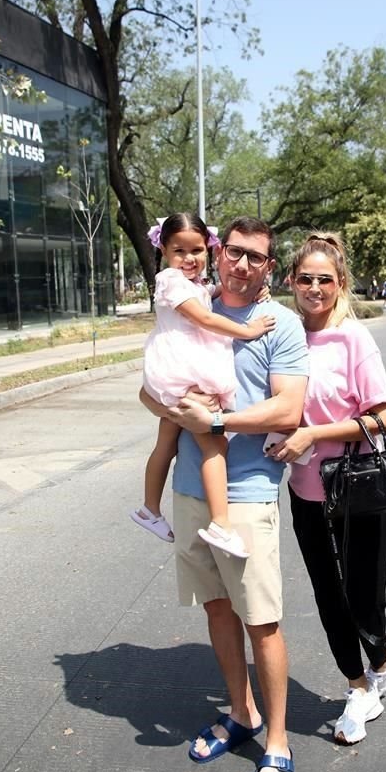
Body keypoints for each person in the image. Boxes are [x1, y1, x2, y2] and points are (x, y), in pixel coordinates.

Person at [139, 216, 309, 772]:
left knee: (260, 620)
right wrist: (174, 402)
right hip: (191, 490)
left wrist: (215, 422)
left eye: (255, 258)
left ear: (269, 267)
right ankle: (241, 713)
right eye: (233, 252)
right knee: (216, 608)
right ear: (220, 253)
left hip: (248, 493)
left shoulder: (280, 325)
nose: (241, 264)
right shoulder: (194, 302)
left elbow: (288, 409)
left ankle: (279, 742)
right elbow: (146, 389)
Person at [265, 232, 386, 746]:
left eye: (325, 279)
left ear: (340, 283)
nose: (315, 288)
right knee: (328, 596)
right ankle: (359, 687)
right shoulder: (283, 337)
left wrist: (314, 433)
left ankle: (382, 653)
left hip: (359, 490)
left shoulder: (354, 339)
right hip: (306, 491)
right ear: (291, 282)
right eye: (306, 278)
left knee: (365, 598)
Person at [131, 213, 275, 559]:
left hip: (178, 369)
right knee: (214, 446)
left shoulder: (192, 284)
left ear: (209, 250)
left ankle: (149, 509)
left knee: (167, 441)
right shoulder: (169, 280)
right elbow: (204, 317)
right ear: (163, 249)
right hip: (183, 371)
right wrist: (248, 330)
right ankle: (222, 524)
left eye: (197, 250)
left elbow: (209, 295)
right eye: (179, 250)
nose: (189, 258)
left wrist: (257, 289)